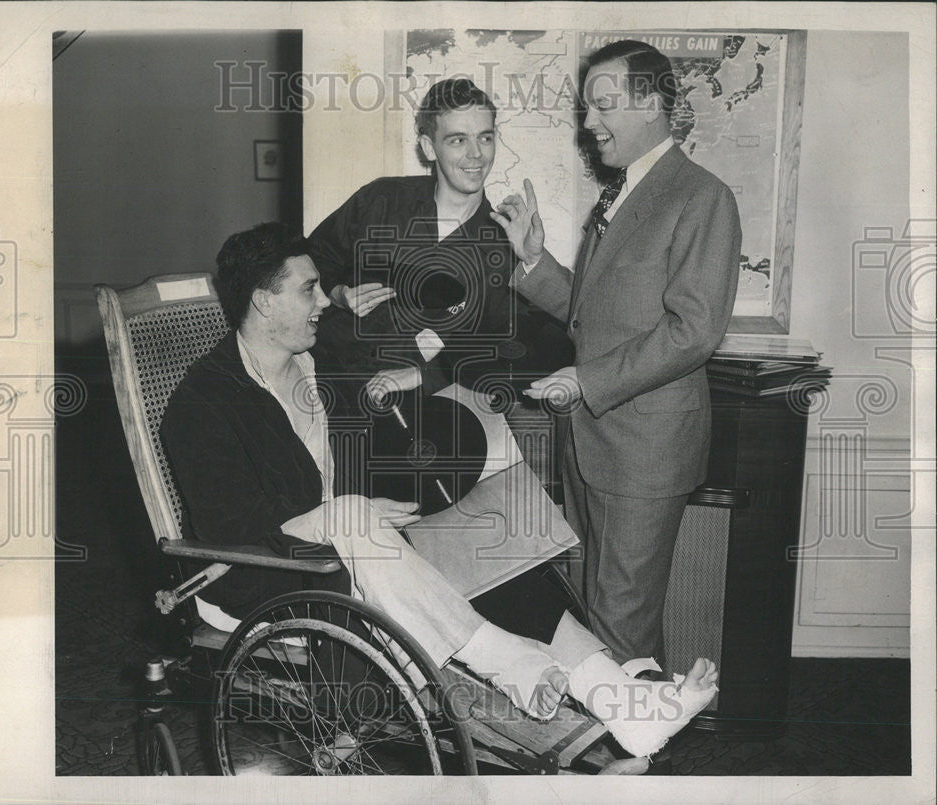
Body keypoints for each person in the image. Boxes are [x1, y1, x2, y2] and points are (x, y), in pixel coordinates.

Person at [160, 221, 720, 759]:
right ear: (263, 302)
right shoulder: (202, 404)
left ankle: (622, 704)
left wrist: (431, 471)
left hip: (360, 549)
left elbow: (389, 442)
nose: (326, 301)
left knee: (477, 533)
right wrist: (349, 513)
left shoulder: (316, 368)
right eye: (308, 290)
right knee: (355, 516)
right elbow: (234, 529)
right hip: (269, 573)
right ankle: (511, 663)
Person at [491, 40, 742, 666]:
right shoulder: (626, 190)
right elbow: (593, 314)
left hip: (644, 452)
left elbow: (694, 330)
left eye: (603, 106)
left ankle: (620, 758)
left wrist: (586, 380)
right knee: (596, 612)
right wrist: (531, 259)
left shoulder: (700, 196)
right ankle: (618, 747)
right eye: (587, 108)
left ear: (652, 104)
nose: (589, 123)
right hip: (597, 442)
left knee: (620, 620)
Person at [306, 76, 576, 651]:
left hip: (430, 426)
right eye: (457, 140)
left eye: (485, 138)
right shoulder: (381, 200)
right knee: (352, 562)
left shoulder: (502, 238)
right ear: (428, 145)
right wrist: (336, 292)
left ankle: (460, 681)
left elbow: (542, 345)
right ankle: (354, 697)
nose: (475, 156)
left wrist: (428, 372)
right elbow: (309, 260)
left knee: (449, 565)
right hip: (339, 404)